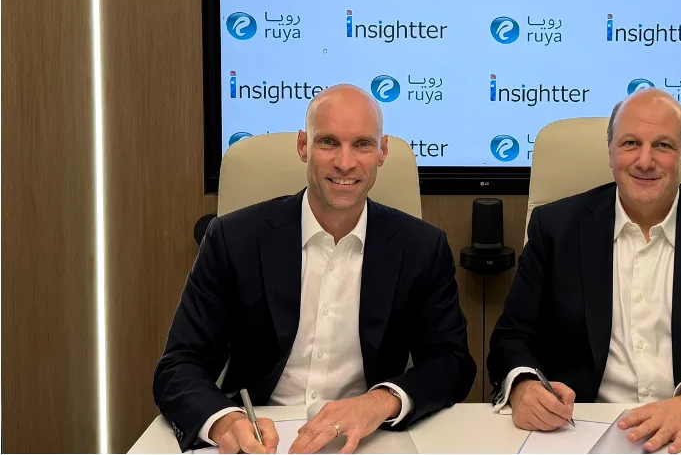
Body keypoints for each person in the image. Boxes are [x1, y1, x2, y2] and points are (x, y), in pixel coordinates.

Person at [154, 85, 476, 454]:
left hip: (368, 440)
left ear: (382, 152)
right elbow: (179, 366)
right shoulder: (234, 239)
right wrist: (226, 421)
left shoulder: (422, 247)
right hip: (260, 438)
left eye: (362, 145)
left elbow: (451, 363)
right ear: (303, 146)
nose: (345, 163)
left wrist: (378, 402)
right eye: (328, 142)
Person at [487, 88, 681, 454]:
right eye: (630, 143)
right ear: (611, 152)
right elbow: (512, 338)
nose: (645, 161)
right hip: (578, 432)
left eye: (663, 146)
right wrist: (523, 386)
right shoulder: (555, 228)